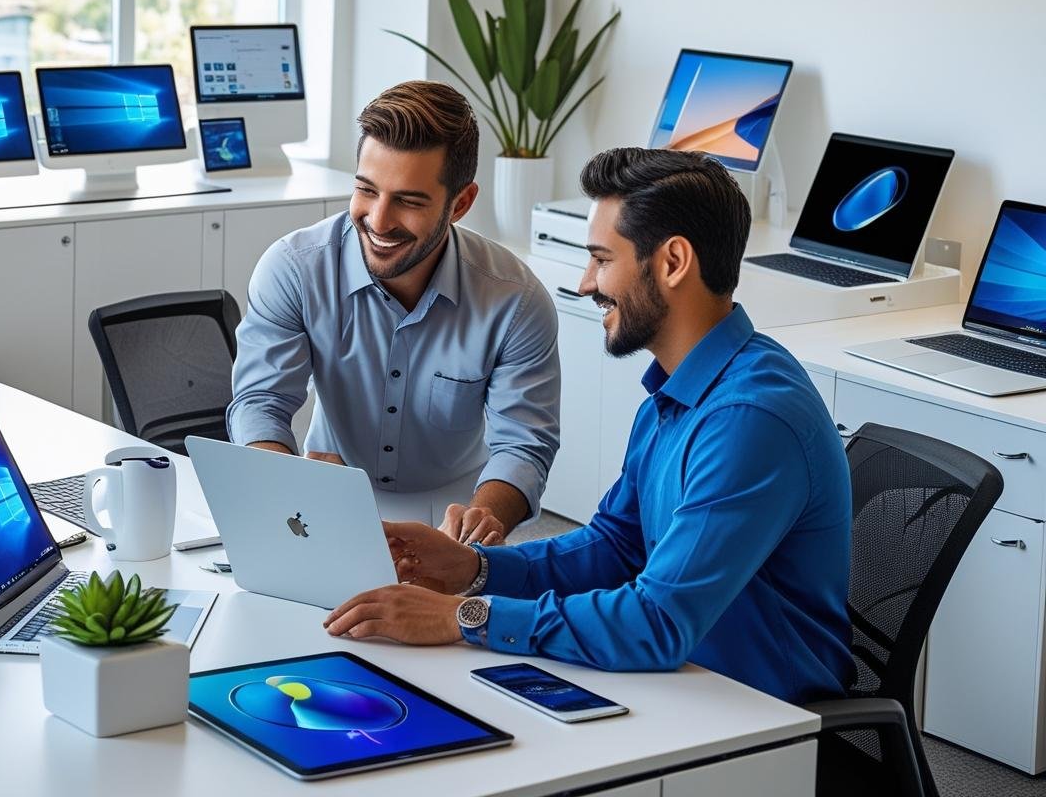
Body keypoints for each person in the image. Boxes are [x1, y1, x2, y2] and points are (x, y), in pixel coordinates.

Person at [323, 147, 854, 705]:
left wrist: (465, 616)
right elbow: (615, 548)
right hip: (681, 681)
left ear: (673, 262)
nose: (584, 283)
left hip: (756, 714)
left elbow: (657, 622)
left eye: (602, 259)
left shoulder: (749, 419)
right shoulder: (675, 395)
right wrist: (474, 568)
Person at [226, 80, 560, 544]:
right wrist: (291, 486)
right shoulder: (294, 268)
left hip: (455, 511)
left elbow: (524, 443)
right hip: (325, 496)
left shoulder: (516, 301)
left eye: (408, 200)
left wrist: (481, 520)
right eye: (366, 190)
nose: (378, 220)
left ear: (460, 203)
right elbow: (260, 402)